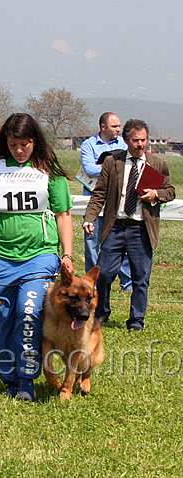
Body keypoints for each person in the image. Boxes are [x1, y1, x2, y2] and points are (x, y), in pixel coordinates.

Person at [0, 113, 74, 401]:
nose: (19, 150)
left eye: (24, 144)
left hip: (40, 256)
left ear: (35, 141)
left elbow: (64, 214)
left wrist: (67, 254)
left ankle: (26, 380)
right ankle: (8, 377)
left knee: (29, 313)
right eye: (13, 144)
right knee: (4, 319)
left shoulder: (50, 172)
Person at [84, 119, 175, 331]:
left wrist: (156, 194)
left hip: (141, 229)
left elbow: (170, 191)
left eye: (143, 140)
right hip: (115, 227)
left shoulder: (158, 164)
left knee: (140, 278)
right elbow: (99, 194)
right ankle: (101, 313)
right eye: (135, 140)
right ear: (126, 141)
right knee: (104, 274)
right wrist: (89, 218)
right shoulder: (112, 162)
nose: (140, 144)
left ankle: (136, 321)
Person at [79, 112, 131, 289]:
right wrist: (113, 166)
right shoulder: (89, 145)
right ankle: (92, 282)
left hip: (117, 199)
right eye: (115, 126)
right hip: (93, 198)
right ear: (103, 127)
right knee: (91, 242)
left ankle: (127, 282)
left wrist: (103, 166)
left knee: (120, 241)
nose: (119, 129)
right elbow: (89, 168)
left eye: (119, 126)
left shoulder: (124, 144)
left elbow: (129, 167)